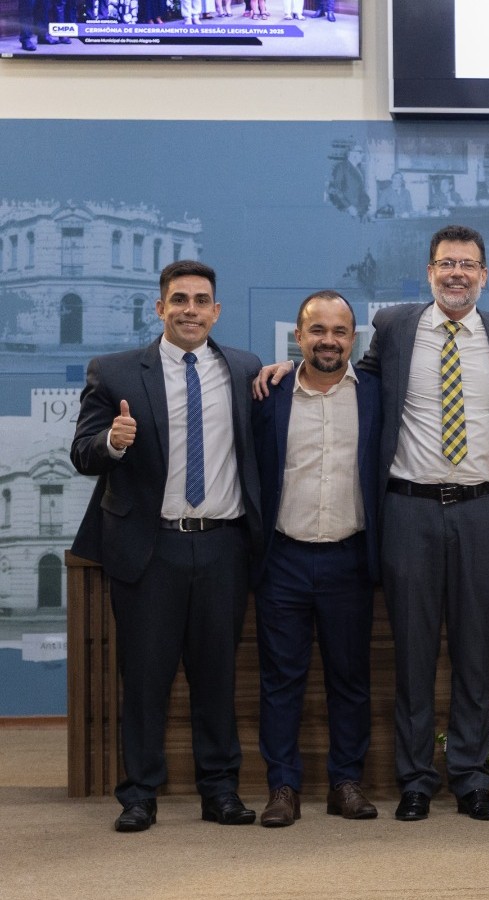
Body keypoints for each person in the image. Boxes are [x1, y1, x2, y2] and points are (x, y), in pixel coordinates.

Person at [255, 225, 489, 822]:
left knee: (473, 650)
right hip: (407, 507)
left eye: (468, 264)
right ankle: (415, 779)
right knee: (412, 652)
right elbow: (338, 369)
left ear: (485, 274)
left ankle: (469, 777)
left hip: (483, 507)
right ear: (429, 272)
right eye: (445, 264)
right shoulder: (397, 326)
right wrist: (285, 366)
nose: (456, 273)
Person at [70, 259, 264, 832]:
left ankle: (220, 791)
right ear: (160, 309)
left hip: (225, 547)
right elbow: (83, 453)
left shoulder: (244, 369)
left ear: (216, 311)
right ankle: (139, 794)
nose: (190, 310)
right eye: (179, 300)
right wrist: (112, 440)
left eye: (201, 301)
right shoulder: (117, 372)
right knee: (146, 678)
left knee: (216, 677)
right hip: (150, 548)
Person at [250, 291, 382, 827]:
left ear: (354, 338)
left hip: (350, 559)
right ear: (298, 337)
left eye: (340, 331)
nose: (329, 340)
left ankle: (345, 784)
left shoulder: (376, 394)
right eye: (317, 330)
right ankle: (283, 787)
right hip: (281, 557)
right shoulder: (267, 394)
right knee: (281, 680)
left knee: (349, 679)